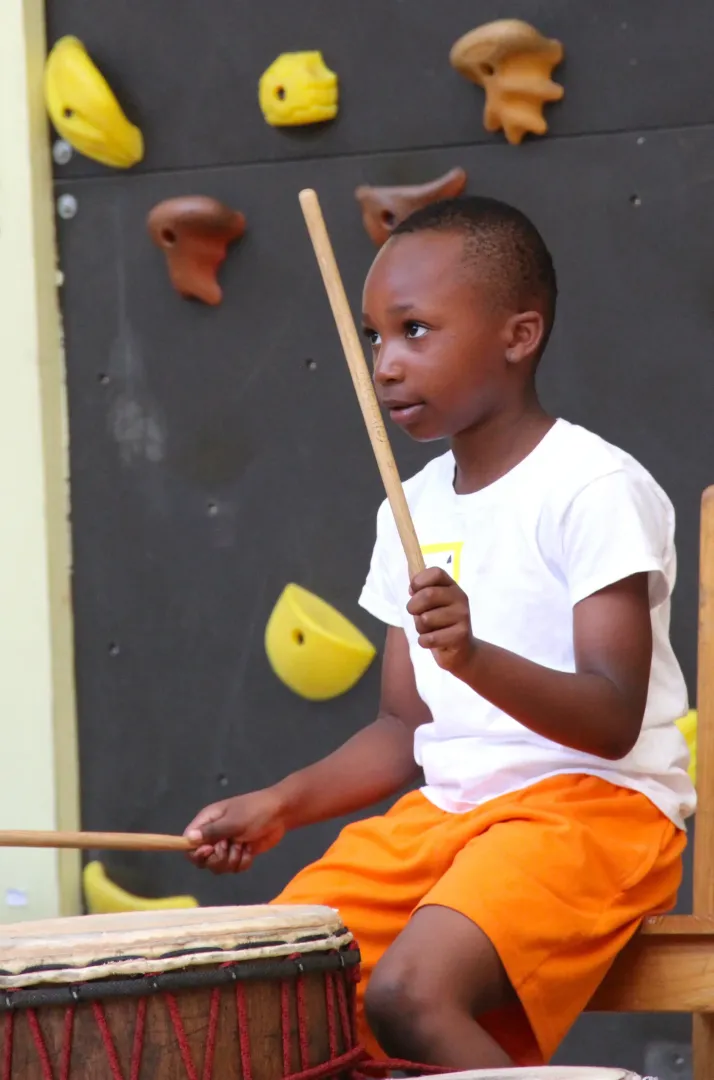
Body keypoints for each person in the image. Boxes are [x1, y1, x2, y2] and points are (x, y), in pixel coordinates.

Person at [184, 196, 695, 1070]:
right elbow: (402, 731)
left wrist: (471, 655)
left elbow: (612, 720)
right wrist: (278, 805)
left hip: (593, 811)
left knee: (410, 993)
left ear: (518, 334)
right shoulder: (409, 509)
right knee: (275, 985)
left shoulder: (592, 486)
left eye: (415, 330)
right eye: (376, 336)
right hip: (449, 814)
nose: (386, 364)